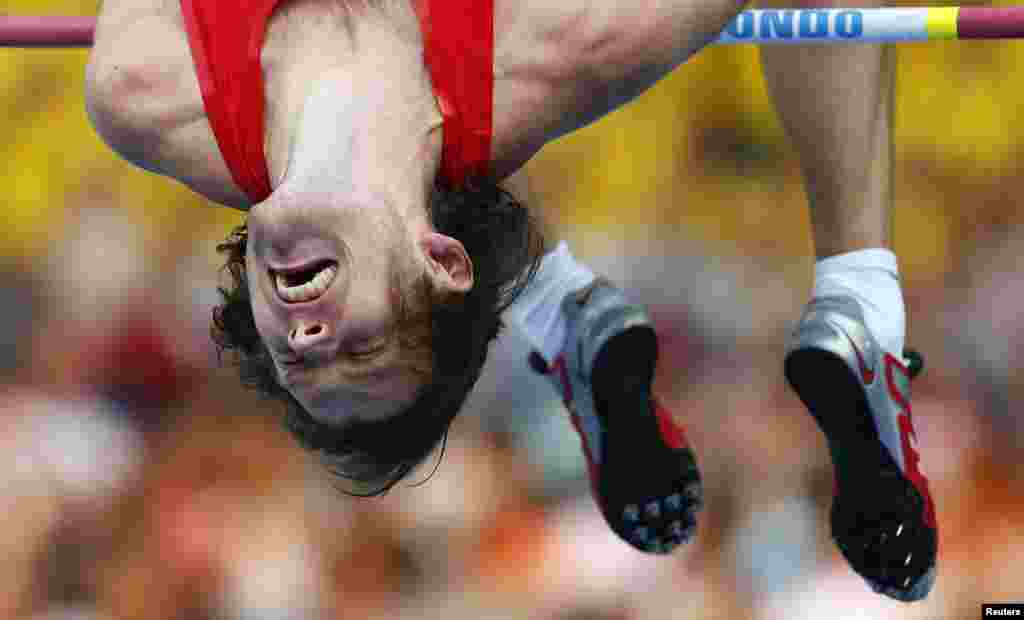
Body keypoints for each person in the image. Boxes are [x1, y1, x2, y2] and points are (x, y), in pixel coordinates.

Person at [83, 0, 936, 601]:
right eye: (358, 347)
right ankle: (857, 291)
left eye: (297, 355)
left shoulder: (145, 92)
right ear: (442, 263)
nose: (308, 331)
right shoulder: (571, 37)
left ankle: (557, 303)